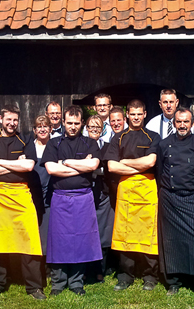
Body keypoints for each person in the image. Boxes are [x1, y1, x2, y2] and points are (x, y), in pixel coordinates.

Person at [0, 105, 46, 300]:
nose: (12, 123)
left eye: (15, 120)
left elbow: (28, 166)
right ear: (1, 119)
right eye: (8, 119)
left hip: (21, 195)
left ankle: (34, 287)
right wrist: (15, 165)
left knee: (30, 240)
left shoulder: (25, 140)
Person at [40, 105, 102, 296]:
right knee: (59, 241)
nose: (73, 127)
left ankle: (76, 281)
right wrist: (82, 167)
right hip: (60, 198)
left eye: (76, 123)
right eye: (69, 123)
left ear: (82, 123)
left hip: (84, 197)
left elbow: (94, 164)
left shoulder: (90, 143)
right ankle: (58, 283)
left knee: (81, 240)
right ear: (63, 123)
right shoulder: (54, 144)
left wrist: (66, 163)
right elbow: (51, 169)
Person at [156, 108, 194, 300]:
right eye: (179, 121)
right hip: (170, 198)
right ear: (174, 123)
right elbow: (159, 172)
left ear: (192, 123)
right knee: (171, 242)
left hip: (192, 197)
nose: (182, 125)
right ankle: (174, 282)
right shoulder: (164, 145)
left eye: (186, 122)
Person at [105, 99, 161, 291]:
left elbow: (151, 162)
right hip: (126, 191)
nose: (136, 117)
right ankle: (125, 276)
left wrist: (125, 162)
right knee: (124, 234)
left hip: (147, 192)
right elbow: (112, 166)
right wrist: (139, 166)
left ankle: (150, 276)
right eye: (133, 114)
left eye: (140, 114)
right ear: (127, 115)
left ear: (145, 114)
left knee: (148, 235)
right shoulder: (118, 138)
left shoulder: (153, 136)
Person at [85, 114, 115, 282]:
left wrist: (91, 167)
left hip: (102, 193)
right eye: (91, 127)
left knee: (102, 232)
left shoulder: (108, 147)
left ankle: (100, 270)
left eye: (98, 127)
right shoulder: (81, 145)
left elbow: (109, 169)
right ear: (86, 128)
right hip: (83, 192)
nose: (94, 130)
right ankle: (85, 269)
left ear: (103, 129)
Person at [29, 115, 53, 259]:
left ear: (50, 128)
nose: (42, 129)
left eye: (45, 126)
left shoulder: (55, 145)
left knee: (48, 230)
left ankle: (48, 262)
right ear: (34, 129)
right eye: (39, 127)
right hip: (33, 193)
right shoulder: (29, 147)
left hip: (50, 193)